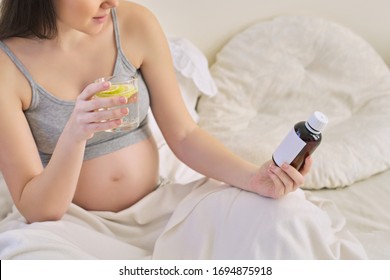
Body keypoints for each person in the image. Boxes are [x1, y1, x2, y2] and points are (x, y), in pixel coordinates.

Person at [0, 0, 311, 224]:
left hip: (159, 209)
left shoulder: (134, 23)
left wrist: (254, 178)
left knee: (286, 214)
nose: (112, 2)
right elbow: (38, 209)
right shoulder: (7, 66)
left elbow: (185, 134)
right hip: (72, 225)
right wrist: (74, 134)